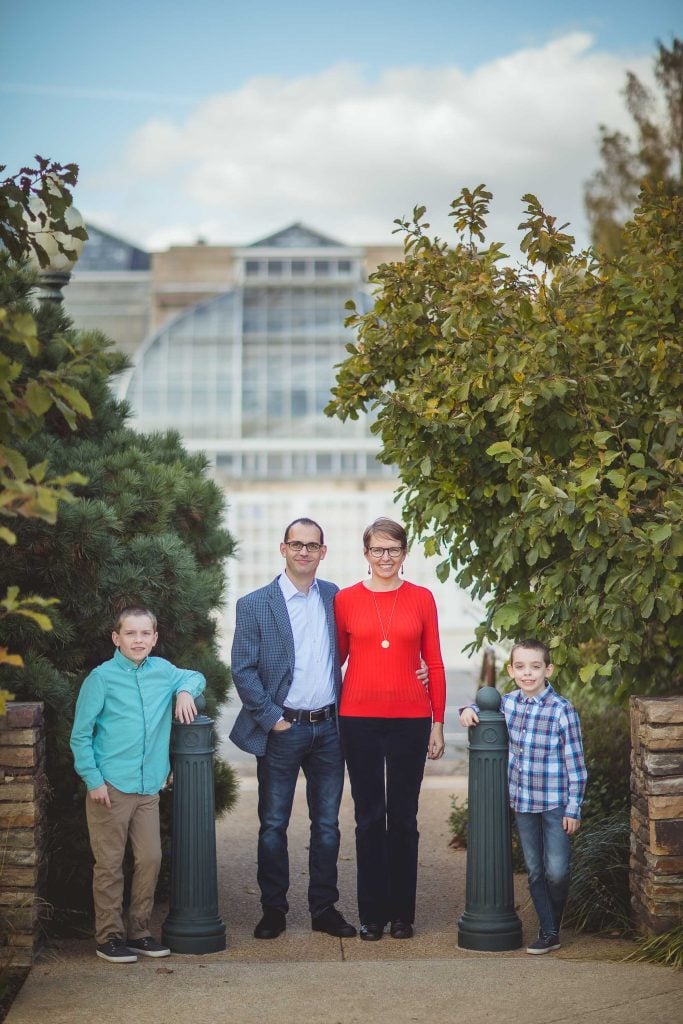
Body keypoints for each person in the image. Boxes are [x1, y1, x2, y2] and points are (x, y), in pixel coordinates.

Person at [229, 517, 356, 940]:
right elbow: (243, 669)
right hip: (284, 729)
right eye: (296, 544)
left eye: (312, 546)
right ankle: (274, 910)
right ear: (282, 549)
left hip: (329, 729)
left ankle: (324, 908)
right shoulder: (254, 604)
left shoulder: (335, 598)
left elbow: (361, 648)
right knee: (273, 824)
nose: (304, 552)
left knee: (327, 825)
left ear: (323, 551)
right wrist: (272, 719)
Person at [70, 606, 205, 963]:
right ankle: (109, 938)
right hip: (109, 788)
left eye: (145, 633)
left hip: (148, 789)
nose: (139, 640)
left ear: (155, 638)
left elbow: (195, 676)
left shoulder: (163, 671)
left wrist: (185, 693)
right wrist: (93, 780)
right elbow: (80, 735)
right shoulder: (101, 678)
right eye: (131, 633)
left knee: (150, 858)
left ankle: (140, 931)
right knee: (110, 866)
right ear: (116, 638)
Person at [334, 517, 446, 941]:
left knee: (403, 817)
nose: (385, 557)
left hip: (411, 720)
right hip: (358, 719)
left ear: (404, 554)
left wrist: (437, 722)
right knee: (367, 818)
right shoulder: (345, 600)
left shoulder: (421, 598)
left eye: (393, 550)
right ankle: (371, 915)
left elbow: (433, 663)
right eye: (377, 550)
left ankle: (403, 914)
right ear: (365, 555)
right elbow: (337, 660)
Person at [459, 638, 587, 955]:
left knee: (557, 871)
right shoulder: (510, 702)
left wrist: (574, 808)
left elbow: (577, 766)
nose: (527, 673)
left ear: (548, 669)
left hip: (555, 804)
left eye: (535, 667)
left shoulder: (562, 710)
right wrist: (467, 711)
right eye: (520, 667)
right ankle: (548, 931)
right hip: (524, 803)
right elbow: (484, 705)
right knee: (534, 869)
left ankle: (553, 920)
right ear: (511, 670)